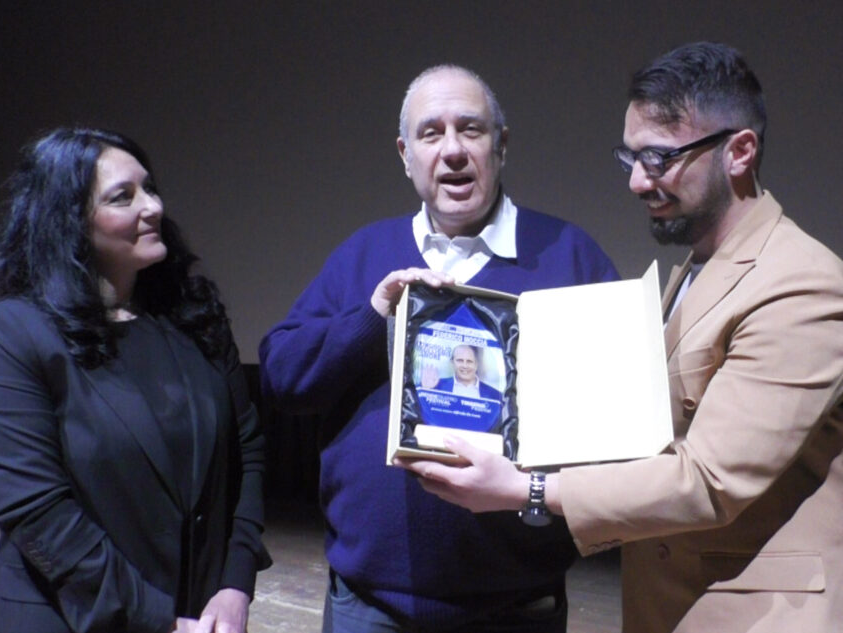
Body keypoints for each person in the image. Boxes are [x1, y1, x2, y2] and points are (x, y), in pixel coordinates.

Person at [397, 43, 843, 633]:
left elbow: (710, 480)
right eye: (630, 158)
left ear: (739, 152)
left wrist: (529, 490)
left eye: (659, 158)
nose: (637, 181)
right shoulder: (697, 270)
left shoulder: (804, 286)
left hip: (769, 616)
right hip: (678, 605)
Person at [259, 65, 618, 632]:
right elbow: (282, 376)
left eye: (470, 129)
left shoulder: (569, 256)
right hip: (369, 607)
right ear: (406, 155)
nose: (452, 150)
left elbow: (617, 418)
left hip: (516, 609)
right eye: (431, 133)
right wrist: (372, 316)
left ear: (501, 145)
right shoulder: (364, 254)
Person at [0, 128, 272, 633]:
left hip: (197, 611)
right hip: (68, 617)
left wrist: (236, 584)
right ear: (69, 222)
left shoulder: (195, 318)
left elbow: (248, 452)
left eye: (150, 188)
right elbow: (37, 509)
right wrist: (158, 621)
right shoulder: (13, 333)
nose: (153, 206)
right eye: (122, 197)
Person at [426, 344, 501, 400]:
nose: (465, 366)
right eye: (460, 360)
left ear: (476, 364)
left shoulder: (495, 395)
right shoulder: (436, 386)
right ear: (452, 362)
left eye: (469, 361)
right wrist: (427, 389)